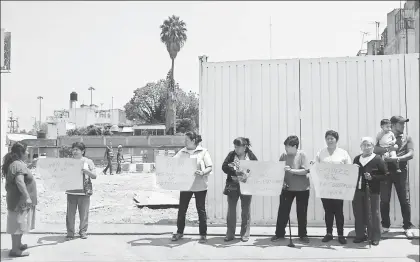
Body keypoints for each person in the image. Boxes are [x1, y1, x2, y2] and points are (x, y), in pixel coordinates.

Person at [374, 116, 416, 239]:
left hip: (400, 171)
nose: (403, 126)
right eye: (400, 124)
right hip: (385, 171)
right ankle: (385, 226)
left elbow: (411, 153)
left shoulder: (407, 138)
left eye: (403, 124)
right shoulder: (382, 136)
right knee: (384, 200)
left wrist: (397, 158)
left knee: (404, 200)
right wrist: (387, 149)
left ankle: (407, 227)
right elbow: (375, 149)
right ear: (392, 125)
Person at [171, 131, 213, 244]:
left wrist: (203, 172)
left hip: (200, 186)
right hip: (185, 185)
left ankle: (203, 234)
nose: (184, 142)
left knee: (201, 210)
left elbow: (210, 167)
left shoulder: (203, 152)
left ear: (193, 141)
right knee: (182, 209)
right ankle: (179, 232)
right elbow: (172, 163)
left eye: (187, 140)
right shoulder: (182, 151)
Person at [271, 135, 310, 243]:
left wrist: (291, 170)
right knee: (283, 212)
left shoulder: (302, 155)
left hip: (302, 189)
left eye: (287, 147)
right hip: (287, 188)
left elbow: (306, 171)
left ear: (294, 146)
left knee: (302, 213)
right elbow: (279, 171)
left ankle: (303, 234)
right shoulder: (283, 155)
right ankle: (279, 233)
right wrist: (282, 182)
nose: (285, 149)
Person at [315, 130, 352, 244]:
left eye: (332, 138)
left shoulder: (343, 153)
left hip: (338, 187)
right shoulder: (320, 153)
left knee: (339, 211)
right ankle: (329, 233)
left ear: (336, 140)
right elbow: (315, 166)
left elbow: (349, 168)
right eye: (328, 138)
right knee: (328, 211)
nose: (330, 140)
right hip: (325, 187)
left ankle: (341, 234)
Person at [2, 142, 37, 257]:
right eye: (26, 150)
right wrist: (27, 197)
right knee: (17, 225)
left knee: (20, 224)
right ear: (21, 153)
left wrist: (31, 165)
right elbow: (20, 181)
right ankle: (15, 250)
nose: (28, 152)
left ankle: (18, 244)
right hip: (19, 201)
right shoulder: (17, 164)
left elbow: (23, 174)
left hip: (19, 201)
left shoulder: (18, 163)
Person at [352, 137, 388, 246]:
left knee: (373, 213)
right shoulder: (357, 159)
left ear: (373, 147)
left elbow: (385, 175)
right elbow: (351, 175)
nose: (366, 148)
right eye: (364, 145)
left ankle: (375, 237)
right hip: (358, 190)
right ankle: (360, 235)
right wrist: (353, 169)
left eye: (369, 145)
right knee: (359, 212)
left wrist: (373, 177)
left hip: (373, 191)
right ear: (361, 147)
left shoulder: (377, 159)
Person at [222, 137, 258, 242]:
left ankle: (245, 233)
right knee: (231, 210)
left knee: (245, 210)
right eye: (235, 147)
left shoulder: (250, 156)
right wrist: (233, 171)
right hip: (233, 185)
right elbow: (224, 167)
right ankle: (230, 234)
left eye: (238, 147)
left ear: (245, 147)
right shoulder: (231, 155)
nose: (236, 149)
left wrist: (246, 174)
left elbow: (257, 167)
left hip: (246, 185)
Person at [66, 142, 97, 240]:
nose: (74, 151)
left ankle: (83, 232)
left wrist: (86, 171)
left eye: (77, 150)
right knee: (70, 214)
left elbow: (94, 176)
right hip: (71, 192)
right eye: (73, 149)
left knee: (84, 214)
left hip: (84, 191)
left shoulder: (88, 162)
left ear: (82, 151)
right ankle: (70, 233)